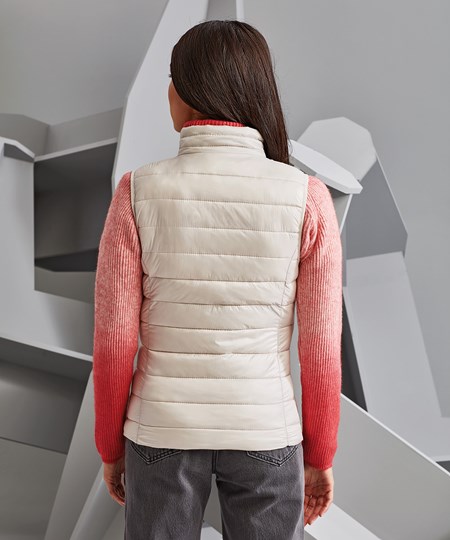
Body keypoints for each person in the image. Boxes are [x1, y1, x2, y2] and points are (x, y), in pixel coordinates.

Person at [93, 19, 342, 540]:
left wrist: (110, 446)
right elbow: (321, 348)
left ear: (185, 92)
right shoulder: (307, 198)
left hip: (160, 429)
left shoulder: (136, 192)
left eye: (171, 79)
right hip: (266, 430)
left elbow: (114, 341)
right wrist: (320, 455)